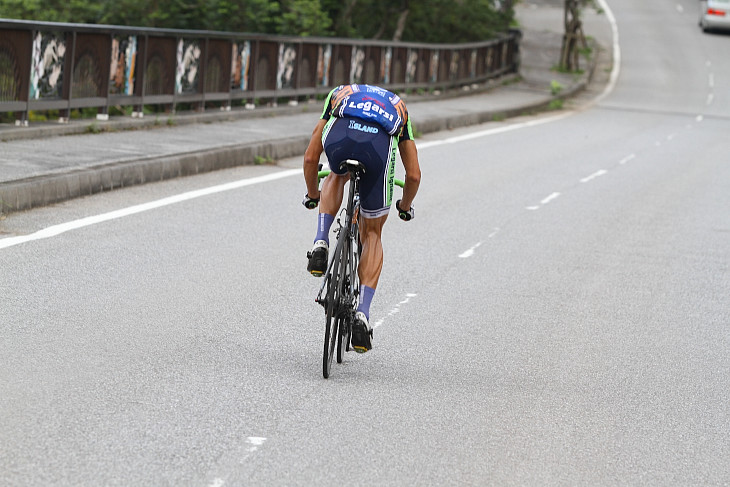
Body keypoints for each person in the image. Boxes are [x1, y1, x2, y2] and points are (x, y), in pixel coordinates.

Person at [302, 84, 421, 353]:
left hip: (341, 138)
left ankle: (320, 242)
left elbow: (311, 157)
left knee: (336, 174)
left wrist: (312, 195)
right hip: (377, 149)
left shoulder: (339, 94)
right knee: (373, 234)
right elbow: (413, 175)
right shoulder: (399, 107)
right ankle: (363, 315)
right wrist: (405, 205)